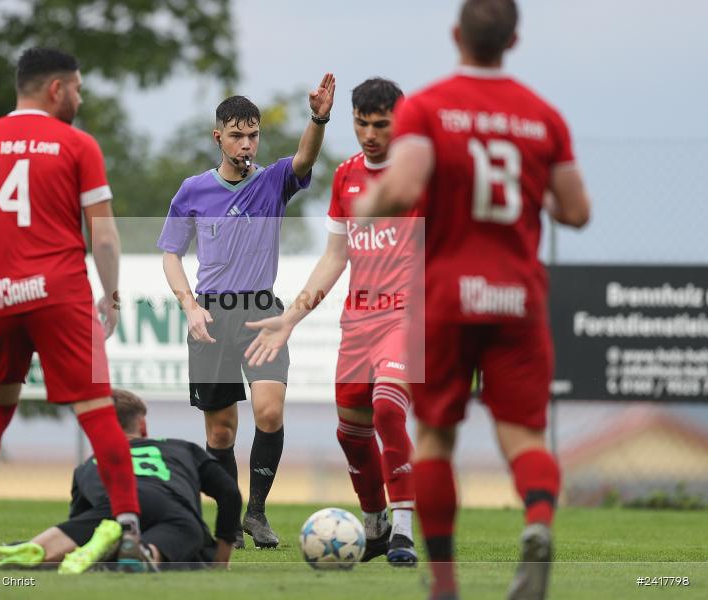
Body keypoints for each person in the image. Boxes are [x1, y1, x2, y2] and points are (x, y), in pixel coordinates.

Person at [353, 1, 592, 598]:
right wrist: (534, 191)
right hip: (517, 298)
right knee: (525, 438)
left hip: (446, 298)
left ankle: (445, 584)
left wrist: (366, 206)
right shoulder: (544, 116)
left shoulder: (428, 107)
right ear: (513, 41)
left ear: (456, 34)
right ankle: (537, 521)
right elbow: (577, 211)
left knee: (436, 438)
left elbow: (403, 186)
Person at [0, 47, 144, 569]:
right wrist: (110, 293)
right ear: (56, 89)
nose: (80, 99)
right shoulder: (77, 144)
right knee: (97, 411)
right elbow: (103, 234)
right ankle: (130, 531)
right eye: (78, 89)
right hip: (59, 294)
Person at [243, 78, 419, 565]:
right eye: (362, 123)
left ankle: (404, 532)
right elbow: (335, 258)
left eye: (380, 124)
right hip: (358, 322)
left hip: (406, 317)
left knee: (388, 409)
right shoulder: (346, 177)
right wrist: (290, 319)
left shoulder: (419, 177)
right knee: (351, 434)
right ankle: (376, 527)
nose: (370, 134)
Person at [156, 77, 335, 548]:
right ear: (219, 137)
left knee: (269, 412)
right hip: (212, 316)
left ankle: (256, 513)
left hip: (261, 312)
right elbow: (171, 255)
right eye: (237, 135)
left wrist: (318, 118)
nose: (246, 144)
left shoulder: (273, 181)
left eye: (253, 135)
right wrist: (190, 306)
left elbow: (305, 158)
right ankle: (230, 520)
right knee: (221, 432)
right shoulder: (193, 190)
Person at [0, 389, 243, 573]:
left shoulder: (88, 466)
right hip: (171, 507)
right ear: (142, 425)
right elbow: (229, 493)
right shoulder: (182, 448)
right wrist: (221, 557)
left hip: (114, 508)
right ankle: (140, 553)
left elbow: (79, 519)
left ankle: (38, 548)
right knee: (180, 537)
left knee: (92, 529)